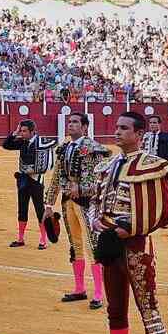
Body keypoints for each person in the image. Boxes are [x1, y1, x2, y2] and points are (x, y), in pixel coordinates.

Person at [87, 110, 168, 334]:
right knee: (115, 310)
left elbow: (166, 212)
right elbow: (95, 201)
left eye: (124, 128)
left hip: (137, 246)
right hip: (110, 246)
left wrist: (132, 228)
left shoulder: (153, 166)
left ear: (139, 134)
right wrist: (95, 222)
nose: (117, 132)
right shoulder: (107, 166)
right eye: (116, 127)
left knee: (148, 309)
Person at [43, 111, 110, 308]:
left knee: (92, 246)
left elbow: (101, 180)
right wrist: (48, 204)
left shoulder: (95, 149)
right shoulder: (64, 148)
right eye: (69, 122)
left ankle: (98, 293)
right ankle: (79, 288)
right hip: (67, 202)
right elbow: (56, 177)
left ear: (84, 127)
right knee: (76, 245)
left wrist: (81, 188)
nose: (70, 125)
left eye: (75, 122)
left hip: (88, 203)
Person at [2, 119, 56, 248]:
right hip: (23, 179)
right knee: (22, 209)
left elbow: (48, 159)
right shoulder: (22, 142)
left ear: (33, 131)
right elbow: (6, 145)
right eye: (21, 131)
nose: (22, 133)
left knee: (39, 210)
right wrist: (15, 133)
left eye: (24, 131)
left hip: (36, 180)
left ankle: (43, 240)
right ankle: (20, 239)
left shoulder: (40, 142)